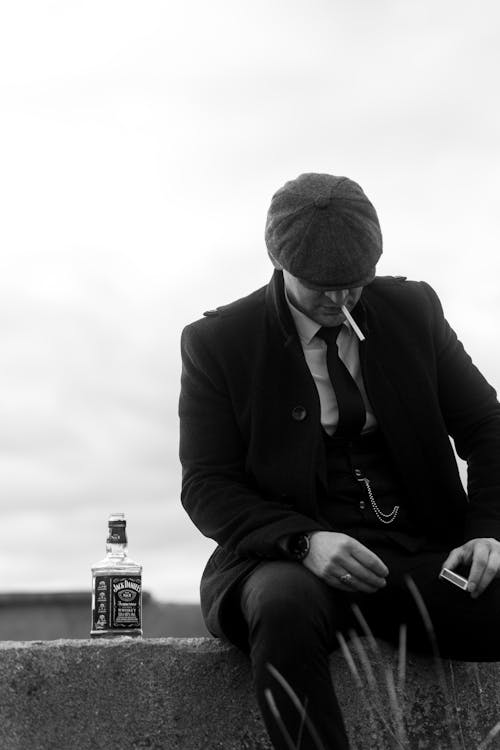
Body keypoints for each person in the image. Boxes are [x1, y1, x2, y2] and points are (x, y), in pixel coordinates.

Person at [178, 173, 500, 749]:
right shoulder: (218, 341)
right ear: (278, 262)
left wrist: (487, 531)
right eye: (320, 287)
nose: (339, 301)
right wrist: (304, 542)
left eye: (354, 285)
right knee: (282, 609)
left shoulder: (412, 308)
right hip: (287, 561)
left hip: (417, 554)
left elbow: (487, 426)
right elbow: (206, 484)